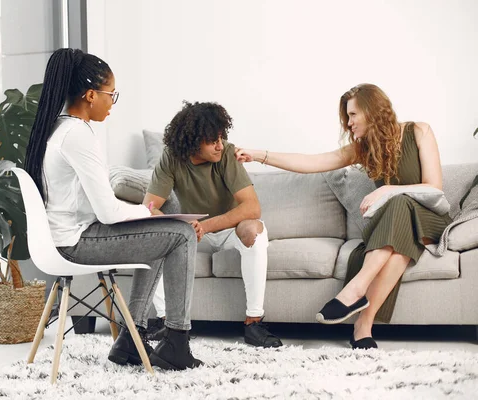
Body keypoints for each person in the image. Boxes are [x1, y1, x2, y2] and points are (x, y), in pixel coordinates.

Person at [24, 48, 203, 370]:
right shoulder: (78, 134)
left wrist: (148, 216)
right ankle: (177, 339)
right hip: (75, 243)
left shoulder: (56, 128)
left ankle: (132, 339)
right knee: (183, 234)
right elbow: (107, 212)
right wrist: (150, 212)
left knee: (165, 235)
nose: (112, 102)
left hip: (64, 237)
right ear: (91, 95)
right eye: (111, 94)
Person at [235, 83, 452, 349]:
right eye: (347, 117)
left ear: (372, 111)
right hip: (398, 228)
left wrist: (387, 190)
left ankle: (354, 291)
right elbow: (311, 163)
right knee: (398, 247)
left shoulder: (419, 131)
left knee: (400, 202)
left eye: (353, 115)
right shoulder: (362, 148)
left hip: (429, 219)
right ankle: (363, 328)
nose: (348, 124)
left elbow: (434, 187)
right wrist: (259, 155)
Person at [143, 101, 283, 348]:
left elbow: (252, 208)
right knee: (149, 232)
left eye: (221, 137)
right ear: (192, 141)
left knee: (254, 232)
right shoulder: (171, 158)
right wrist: (177, 225)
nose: (220, 145)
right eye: (212, 140)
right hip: (193, 233)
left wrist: (206, 226)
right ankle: (166, 322)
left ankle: (254, 322)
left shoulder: (227, 154)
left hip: (228, 229)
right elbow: (149, 208)